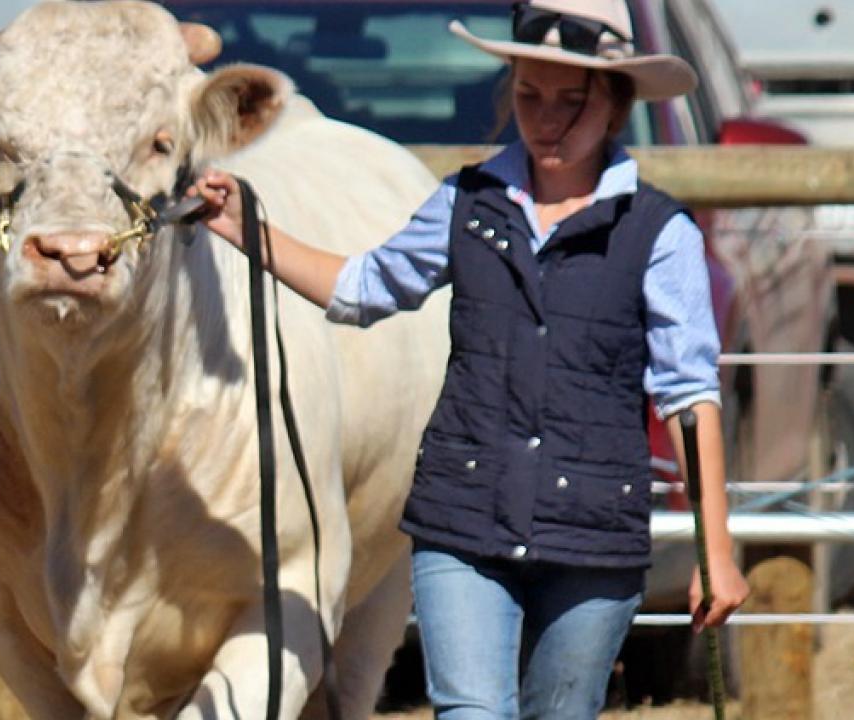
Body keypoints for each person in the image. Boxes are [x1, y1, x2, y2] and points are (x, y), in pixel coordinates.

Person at [191, 0, 749, 717]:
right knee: (471, 711)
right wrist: (250, 230)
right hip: (465, 521)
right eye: (528, 96)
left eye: (570, 102)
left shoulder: (658, 235)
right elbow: (364, 286)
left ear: (613, 106)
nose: (546, 119)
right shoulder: (463, 203)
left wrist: (717, 546)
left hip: (594, 535)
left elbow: (688, 396)